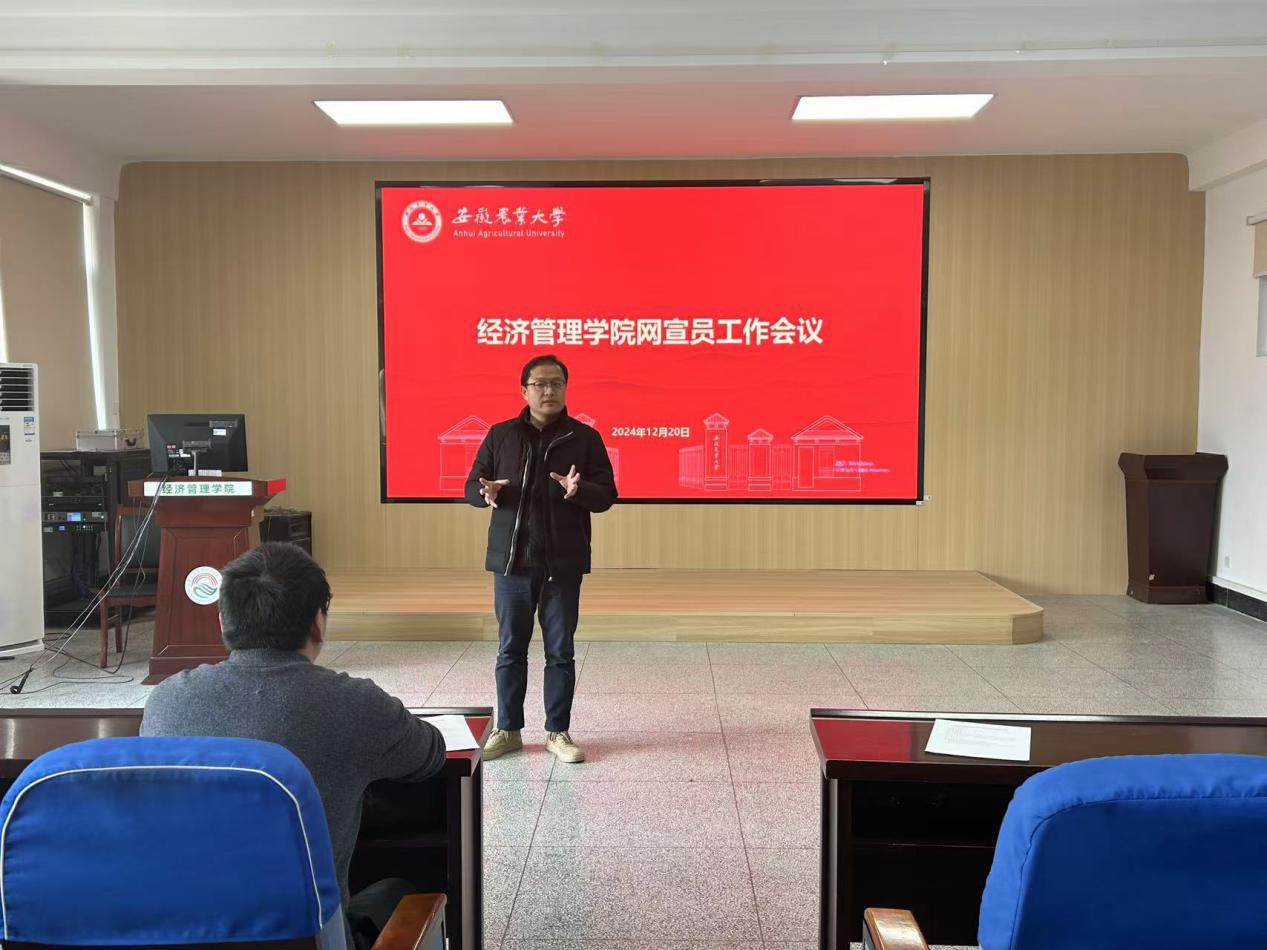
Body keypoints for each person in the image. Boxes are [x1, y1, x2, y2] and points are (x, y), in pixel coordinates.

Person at [140, 542, 446, 949]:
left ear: (223, 621)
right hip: (311, 938)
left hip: (183, 935)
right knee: (398, 890)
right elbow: (430, 755)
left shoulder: (166, 700)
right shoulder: (353, 703)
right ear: (318, 624)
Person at [464, 354, 617, 763]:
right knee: (510, 650)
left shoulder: (584, 438)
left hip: (561, 566)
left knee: (560, 652)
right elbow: (472, 485)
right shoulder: (500, 435)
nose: (548, 391)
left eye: (556, 384)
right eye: (539, 384)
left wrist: (578, 491)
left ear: (565, 388)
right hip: (512, 564)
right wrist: (485, 492)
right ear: (524, 390)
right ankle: (508, 730)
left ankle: (557, 732)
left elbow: (607, 495)